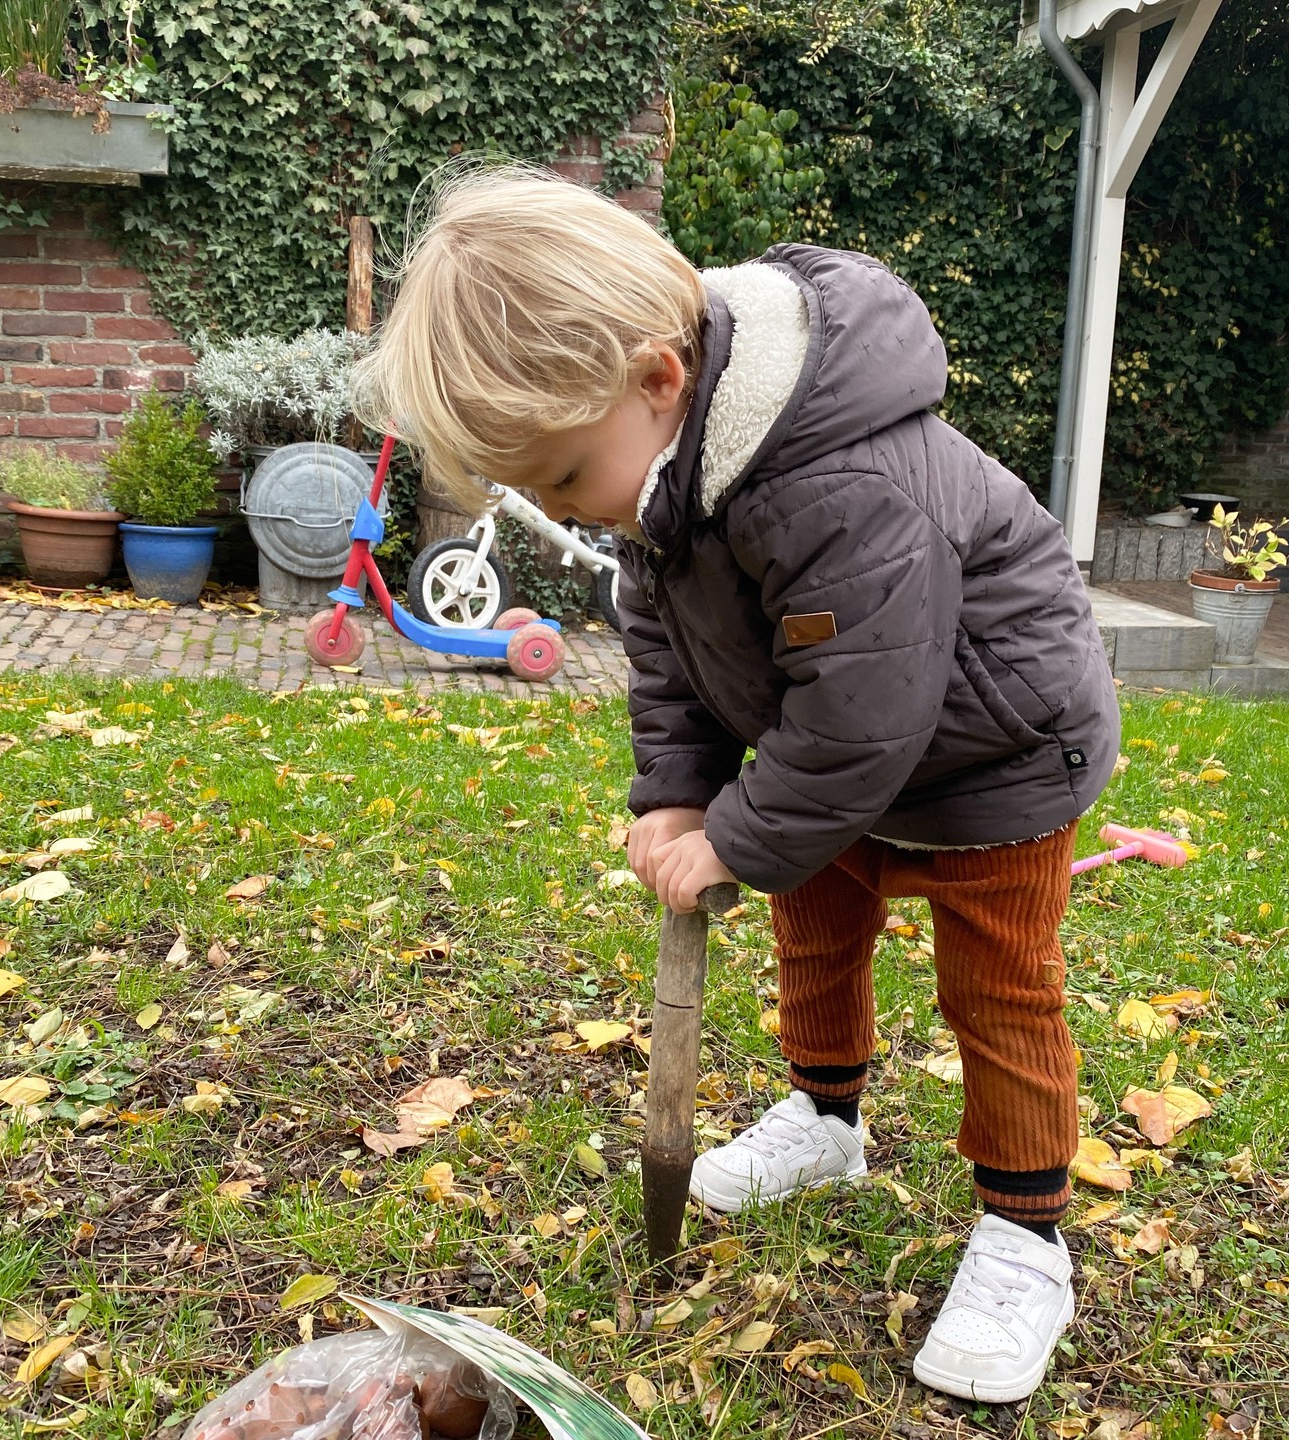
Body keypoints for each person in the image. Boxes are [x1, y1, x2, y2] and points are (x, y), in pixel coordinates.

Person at [352, 166, 1119, 1405]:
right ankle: (826, 1120)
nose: (562, 509)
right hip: (834, 755)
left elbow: (868, 711)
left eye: (562, 479)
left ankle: (1026, 1236)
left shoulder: (838, 483)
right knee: (814, 925)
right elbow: (668, 651)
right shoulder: (665, 476)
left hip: (999, 755)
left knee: (998, 990)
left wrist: (739, 833)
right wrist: (677, 794)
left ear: (659, 378)